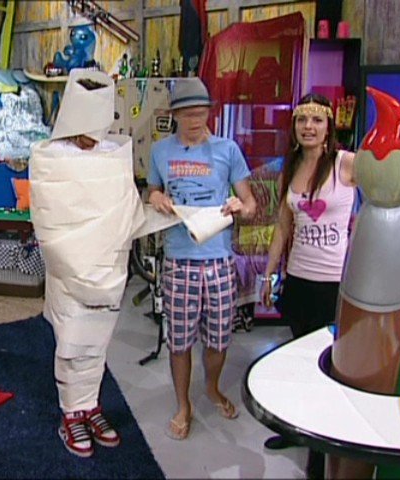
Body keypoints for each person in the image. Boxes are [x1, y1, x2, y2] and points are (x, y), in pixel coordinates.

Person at [29, 69, 145, 458]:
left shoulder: (113, 155)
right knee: (72, 341)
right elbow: (47, 215)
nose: (87, 138)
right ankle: (70, 413)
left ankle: (90, 405)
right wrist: (74, 256)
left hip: (107, 263)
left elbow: (126, 206)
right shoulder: (50, 157)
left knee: (96, 342)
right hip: (69, 265)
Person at [147, 77, 256, 440]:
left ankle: (212, 387)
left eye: (201, 113)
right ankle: (183, 404)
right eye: (188, 114)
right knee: (179, 341)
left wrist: (240, 205)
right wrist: (156, 197)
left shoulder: (228, 150)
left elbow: (251, 204)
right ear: (175, 115)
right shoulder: (161, 151)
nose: (195, 120)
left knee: (219, 339)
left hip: (218, 259)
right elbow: (152, 189)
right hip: (179, 259)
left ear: (210, 112)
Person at [258, 94, 357, 477]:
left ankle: (320, 451)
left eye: (317, 120)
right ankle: (297, 430)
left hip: (334, 286)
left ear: (329, 126)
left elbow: (386, 188)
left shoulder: (345, 163)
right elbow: (283, 226)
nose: (309, 127)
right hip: (298, 281)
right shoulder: (293, 165)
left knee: (327, 368)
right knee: (300, 363)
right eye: (302, 120)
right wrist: (269, 274)